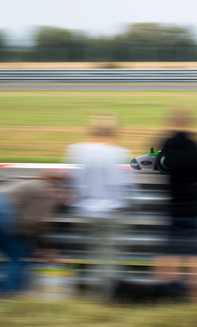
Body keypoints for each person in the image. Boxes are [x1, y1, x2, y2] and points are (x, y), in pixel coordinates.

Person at [64, 113, 134, 298]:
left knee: (94, 253)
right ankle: (103, 296)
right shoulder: (119, 153)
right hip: (110, 213)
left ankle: (93, 291)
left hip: (84, 211)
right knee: (108, 257)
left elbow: (73, 183)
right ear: (115, 132)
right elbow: (125, 187)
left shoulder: (77, 150)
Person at [153, 109, 197, 302]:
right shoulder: (193, 144)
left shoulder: (166, 144)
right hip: (193, 208)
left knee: (169, 255)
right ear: (188, 124)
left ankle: (165, 295)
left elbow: (159, 167)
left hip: (173, 208)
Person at [0, 175, 69, 295]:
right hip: (4, 214)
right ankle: (11, 294)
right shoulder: (46, 192)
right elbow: (33, 222)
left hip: (5, 210)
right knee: (19, 258)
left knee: (16, 254)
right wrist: (44, 249)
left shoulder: (34, 184)